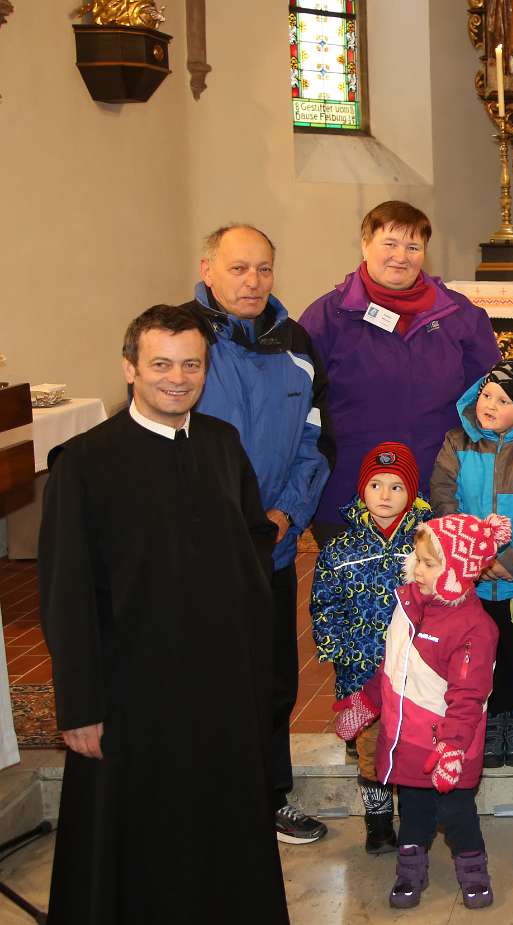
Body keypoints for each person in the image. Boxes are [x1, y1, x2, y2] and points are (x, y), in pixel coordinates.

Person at [39, 304, 289, 923]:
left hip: (221, 690)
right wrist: (80, 706)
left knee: (222, 837)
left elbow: (253, 546)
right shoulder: (85, 463)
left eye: (191, 365)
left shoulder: (222, 444)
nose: (177, 378)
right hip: (132, 698)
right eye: (160, 364)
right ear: (130, 368)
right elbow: (66, 592)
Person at [183, 222, 333, 844]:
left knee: (273, 678)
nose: (252, 281)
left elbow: (314, 438)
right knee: (200, 676)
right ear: (208, 268)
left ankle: (271, 797)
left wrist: (287, 516)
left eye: (264, 269)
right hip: (193, 547)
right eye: (239, 268)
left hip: (268, 542)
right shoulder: (181, 337)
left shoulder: (294, 342)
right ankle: (201, 802)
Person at [334, 512, 513, 910]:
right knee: (412, 813)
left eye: (429, 563)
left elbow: (469, 695)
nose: (417, 569)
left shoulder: (474, 628)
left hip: (449, 744)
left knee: (458, 816)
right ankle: (410, 872)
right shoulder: (409, 605)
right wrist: (368, 701)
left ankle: (473, 872)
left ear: (456, 571)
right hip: (408, 740)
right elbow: (395, 665)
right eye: (416, 559)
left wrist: (451, 749)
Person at [301, 200, 500, 543]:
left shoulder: (460, 316)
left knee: (433, 591)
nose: (401, 256)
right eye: (389, 244)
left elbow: (488, 399)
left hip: (437, 485)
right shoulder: (327, 317)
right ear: (365, 245)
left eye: (413, 247)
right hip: (349, 487)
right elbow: (303, 406)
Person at [431, 359, 513, 768]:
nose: (489, 404)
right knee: (474, 655)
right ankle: (484, 720)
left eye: (503, 400)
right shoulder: (458, 442)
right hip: (471, 577)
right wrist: (471, 554)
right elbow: (443, 495)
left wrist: (512, 560)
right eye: (487, 394)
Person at [311, 441, 433, 854]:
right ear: (362, 490)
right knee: (370, 750)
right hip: (362, 674)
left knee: (416, 746)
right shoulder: (340, 549)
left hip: (415, 674)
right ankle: (378, 823)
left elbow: (444, 600)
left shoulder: (426, 546)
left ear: (412, 493)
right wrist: (338, 649)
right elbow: (324, 603)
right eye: (376, 485)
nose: (385, 495)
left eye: (396, 487)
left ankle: (418, 821)